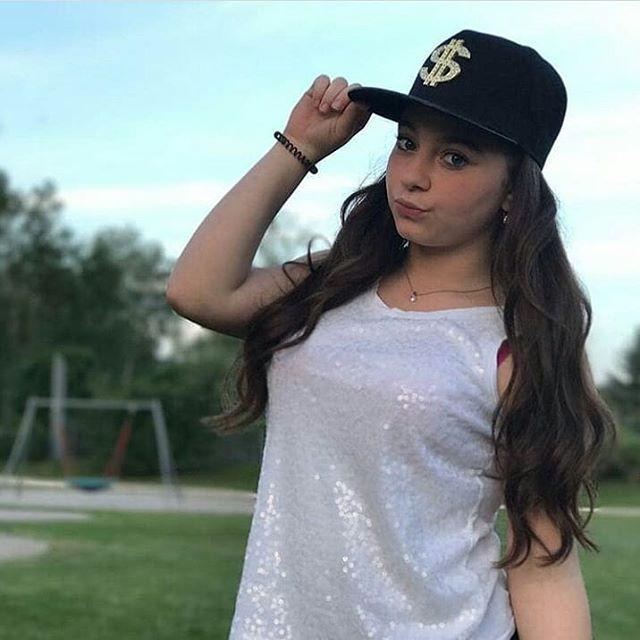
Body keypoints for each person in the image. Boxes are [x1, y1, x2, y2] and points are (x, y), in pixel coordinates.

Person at [167, 28, 613, 640]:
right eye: (407, 143)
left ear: (514, 189)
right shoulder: (334, 282)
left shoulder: (518, 344)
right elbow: (197, 291)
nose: (412, 176)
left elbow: (541, 558)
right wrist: (299, 147)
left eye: (454, 158)